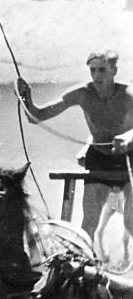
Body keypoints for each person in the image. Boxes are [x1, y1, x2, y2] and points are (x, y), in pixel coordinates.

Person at [16, 50, 133, 245]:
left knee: (130, 223)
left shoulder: (128, 94)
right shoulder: (82, 93)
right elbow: (36, 116)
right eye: (93, 70)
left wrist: (128, 138)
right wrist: (26, 97)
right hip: (100, 159)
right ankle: (85, 266)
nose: (97, 76)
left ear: (114, 71)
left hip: (130, 157)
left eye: (102, 70)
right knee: (89, 222)